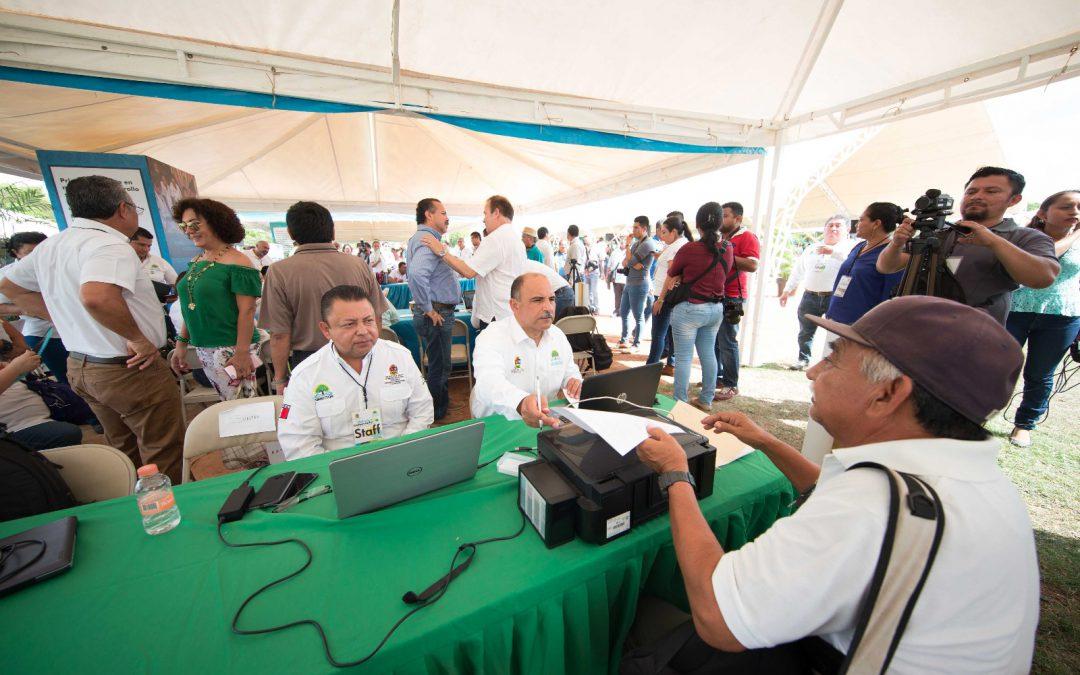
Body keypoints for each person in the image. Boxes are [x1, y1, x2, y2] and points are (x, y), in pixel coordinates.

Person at [629, 296, 1037, 674]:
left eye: (833, 359)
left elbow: (717, 618)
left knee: (647, 637)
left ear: (888, 393)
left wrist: (676, 475)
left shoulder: (868, 506)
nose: (812, 371)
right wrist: (766, 442)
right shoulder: (973, 480)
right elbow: (836, 497)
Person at [0, 175, 184, 482]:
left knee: (124, 449)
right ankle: (166, 515)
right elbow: (97, 296)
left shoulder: (53, 245)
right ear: (124, 209)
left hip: (84, 365)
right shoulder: (110, 245)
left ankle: (134, 509)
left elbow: (9, 286)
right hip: (128, 369)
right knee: (162, 452)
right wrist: (137, 338)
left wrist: (61, 314)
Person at [877, 166, 1059, 325]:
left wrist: (993, 241)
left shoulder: (1025, 237)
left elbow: (1043, 278)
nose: (977, 197)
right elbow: (886, 266)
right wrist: (896, 243)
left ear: (1013, 200)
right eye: (971, 192)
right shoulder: (939, 235)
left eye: (991, 191)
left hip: (973, 336)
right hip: (919, 325)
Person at [278, 285, 433, 460]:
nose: (363, 331)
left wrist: (403, 453)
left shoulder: (400, 356)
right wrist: (344, 470)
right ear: (326, 330)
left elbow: (422, 410)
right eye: (349, 324)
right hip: (338, 471)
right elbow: (298, 443)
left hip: (403, 458)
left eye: (368, 321)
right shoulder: (306, 375)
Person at [259, 201, 388, 392]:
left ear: (291, 233)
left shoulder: (279, 271)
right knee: (365, 412)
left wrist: (280, 379)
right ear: (332, 230)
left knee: (320, 417)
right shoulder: (358, 265)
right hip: (360, 354)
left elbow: (279, 334)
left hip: (309, 360)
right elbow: (376, 317)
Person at [169, 198, 266, 402]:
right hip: (205, 347)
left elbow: (247, 311)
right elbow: (190, 306)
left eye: (194, 223)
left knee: (242, 407)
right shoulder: (197, 261)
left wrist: (241, 353)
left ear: (216, 222)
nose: (188, 230)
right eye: (184, 225)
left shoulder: (239, 263)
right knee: (230, 404)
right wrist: (181, 344)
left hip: (230, 348)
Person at [1005, 189, 1080, 448]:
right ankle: (976, 413)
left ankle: (1024, 424)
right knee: (998, 364)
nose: (1075, 212)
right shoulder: (1025, 237)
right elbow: (1045, 256)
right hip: (1016, 310)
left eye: (1079, 207)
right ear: (1042, 213)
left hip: (1062, 316)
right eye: (1067, 206)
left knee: (1040, 374)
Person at [471, 272, 582, 428]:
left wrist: (573, 381)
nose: (548, 307)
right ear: (515, 305)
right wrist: (521, 403)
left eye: (551, 299)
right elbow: (488, 384)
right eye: (537, 300)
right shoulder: (492, 337)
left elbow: (570, 371)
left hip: (545, 422)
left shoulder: (558, 336)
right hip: (498, 424)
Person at [657, 203, 734, 411]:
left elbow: (673, 271)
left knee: (683, 357)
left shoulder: (690, 248)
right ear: (720, 223)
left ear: (697, 224)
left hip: (690, 308)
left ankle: (680, 403)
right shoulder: (728, 248)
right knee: (708, 353)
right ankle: (706, 400)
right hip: (715, 309)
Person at [420, 195, 526, 331]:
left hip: (496, 317)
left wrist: (442, 251)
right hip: (510, 313)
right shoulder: (515, 239)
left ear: (497, 212)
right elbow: (471, 264)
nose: (484, 219)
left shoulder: (495, 239)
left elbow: (468, 271)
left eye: (485, 214)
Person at [407, 197, 461, 421]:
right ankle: (436, 415)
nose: (447, 217)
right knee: (440, 367)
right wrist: (429, 309)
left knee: (439, 365)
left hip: (436, 312)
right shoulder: (428, 240)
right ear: (429, 215)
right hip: (436, 314)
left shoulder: (422, 239)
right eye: (443, 212)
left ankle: (441, 405)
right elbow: (417, 274)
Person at [780, 216, 850, 370]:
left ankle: (833, 362)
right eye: (830, 225)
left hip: (834, 298)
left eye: (838, 226)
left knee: (835, 333)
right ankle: (803, 359)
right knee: (805, 331)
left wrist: (834, 252)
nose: (833, 229)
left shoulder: (850, 249)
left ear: (847, 230)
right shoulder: (812, 248)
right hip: (810, 295)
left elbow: (852, 266)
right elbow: (798, 270)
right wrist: (787, 290)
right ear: (824, 229)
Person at [0, 231, 70, 384]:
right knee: (67, 377)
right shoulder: (7, 275)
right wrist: (27, 309)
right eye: (30, 252)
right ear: (15, 252)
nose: (37, 256)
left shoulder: (58, 267)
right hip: (44, 334)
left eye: (41, 250)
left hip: (72, 328)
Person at [710, 202, 761, 401]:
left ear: (737, 219)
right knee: (715, 340)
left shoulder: (747, 237)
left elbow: (752, 264)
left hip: (733, 296)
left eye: (725, 216)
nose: (721, 219)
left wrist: (725, 252)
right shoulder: (723, 237)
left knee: (728, 341)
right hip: (717, 294)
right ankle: (719, 378)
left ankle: (731, 384)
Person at [826, 203, 905, 326]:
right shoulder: (859, 246)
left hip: (860, 326)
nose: (856, 224)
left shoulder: (891, 255)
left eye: (861, 220)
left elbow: (889, 296)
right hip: (835, 318)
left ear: (876, 224)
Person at [0, 350, 82, 450]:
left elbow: (20, 348)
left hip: (40, 410)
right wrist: (15, 368)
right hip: (16, 428)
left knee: (77, 402)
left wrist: (13, 366)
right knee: (68, 433)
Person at [647, 216, 693, 372]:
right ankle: (653, 366)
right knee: (662, 334)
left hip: (664, 296)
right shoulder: (675, 244)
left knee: (659, 334)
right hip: (664, 294)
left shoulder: (677, 246)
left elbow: (671, 274)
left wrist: (660, 299)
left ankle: (650, 368)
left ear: (674, 232)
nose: (662, 235)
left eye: (665, 232)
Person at [619, 216, 659, 352]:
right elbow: (626, 262)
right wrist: (633, 262)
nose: (633, 230)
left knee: (638, 315)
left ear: (644, 229)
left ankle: (637, 343)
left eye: (636, 227)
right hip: (630, 282)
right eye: (633, 227)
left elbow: (629, 262)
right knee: (623, 312)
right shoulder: (638, 243)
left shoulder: (648, 243)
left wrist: (628, 248)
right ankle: (624, 339)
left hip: (640, 283)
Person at [607, 239, 626, 316]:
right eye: (621, 242)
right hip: (616, 278)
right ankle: (617, 310)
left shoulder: (629, 252)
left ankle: (624, 311)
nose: (622, 244)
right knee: (617, 296)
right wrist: (607, 276)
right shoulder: (614, 252)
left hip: (626, 279)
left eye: (624, 243)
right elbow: (609, 265)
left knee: (625, 297)